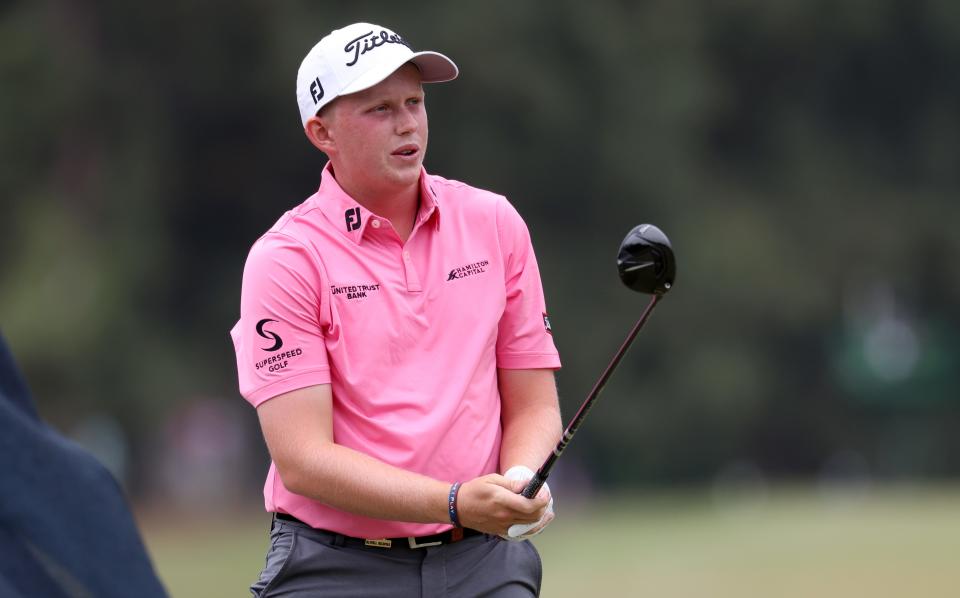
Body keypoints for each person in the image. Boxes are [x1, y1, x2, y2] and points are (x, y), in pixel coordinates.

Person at [231, 22, 562, 597]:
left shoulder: (493, 223)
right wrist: (457, 502)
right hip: (333, 566)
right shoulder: (286, 258)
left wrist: (517, 482)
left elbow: (533, 406)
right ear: (322, 132)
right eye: (379, 109)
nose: (407, 122)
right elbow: (303, 460)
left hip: (482, 563)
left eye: (414, 102)